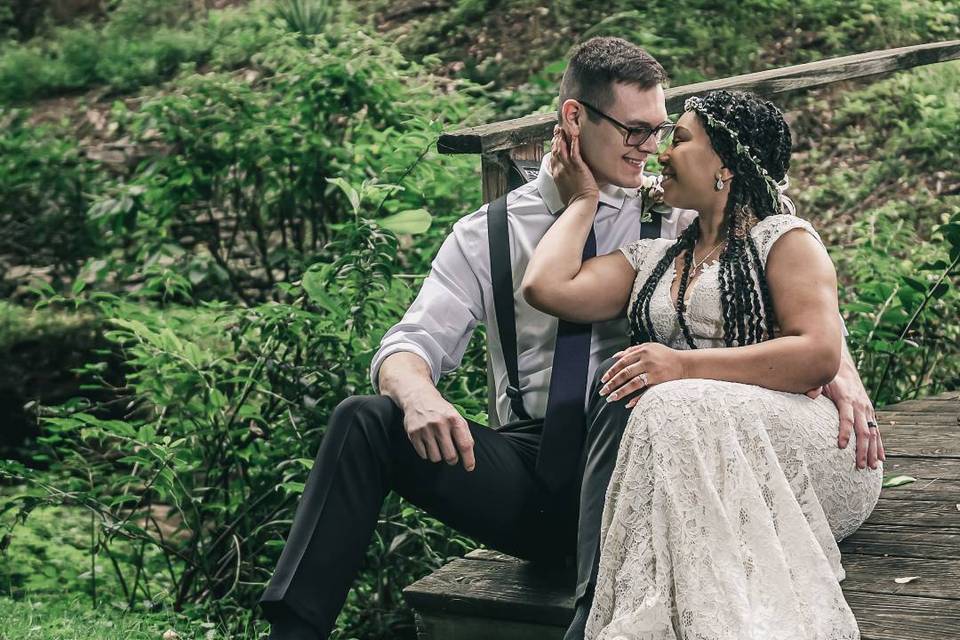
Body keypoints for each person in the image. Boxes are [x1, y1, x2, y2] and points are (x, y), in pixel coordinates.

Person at [258, 37, 882, 640]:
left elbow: (784, 284)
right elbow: (411, 341)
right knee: (365, 419)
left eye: (662, 131)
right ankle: (294, 628)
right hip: (532, 471)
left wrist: (839, 370)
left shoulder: (684, 212)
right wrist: (417, 393)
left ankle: (594, 616)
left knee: (627, 390)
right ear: (575, 117)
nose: (651, 149)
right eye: (634, 130)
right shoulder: (486, 235)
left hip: (658, 459)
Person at [522, 90, 883, 639]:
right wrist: (583, 201)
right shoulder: (652, 260)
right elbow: (545, 286)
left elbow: (817, 354)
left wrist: (684, 368)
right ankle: (611, 608)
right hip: (690, 445)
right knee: (640, 388)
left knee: (663, 395)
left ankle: (593, 620)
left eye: (681, 139)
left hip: (809, 453)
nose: (662, 152)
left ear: (725, 167)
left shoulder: (784, 240)